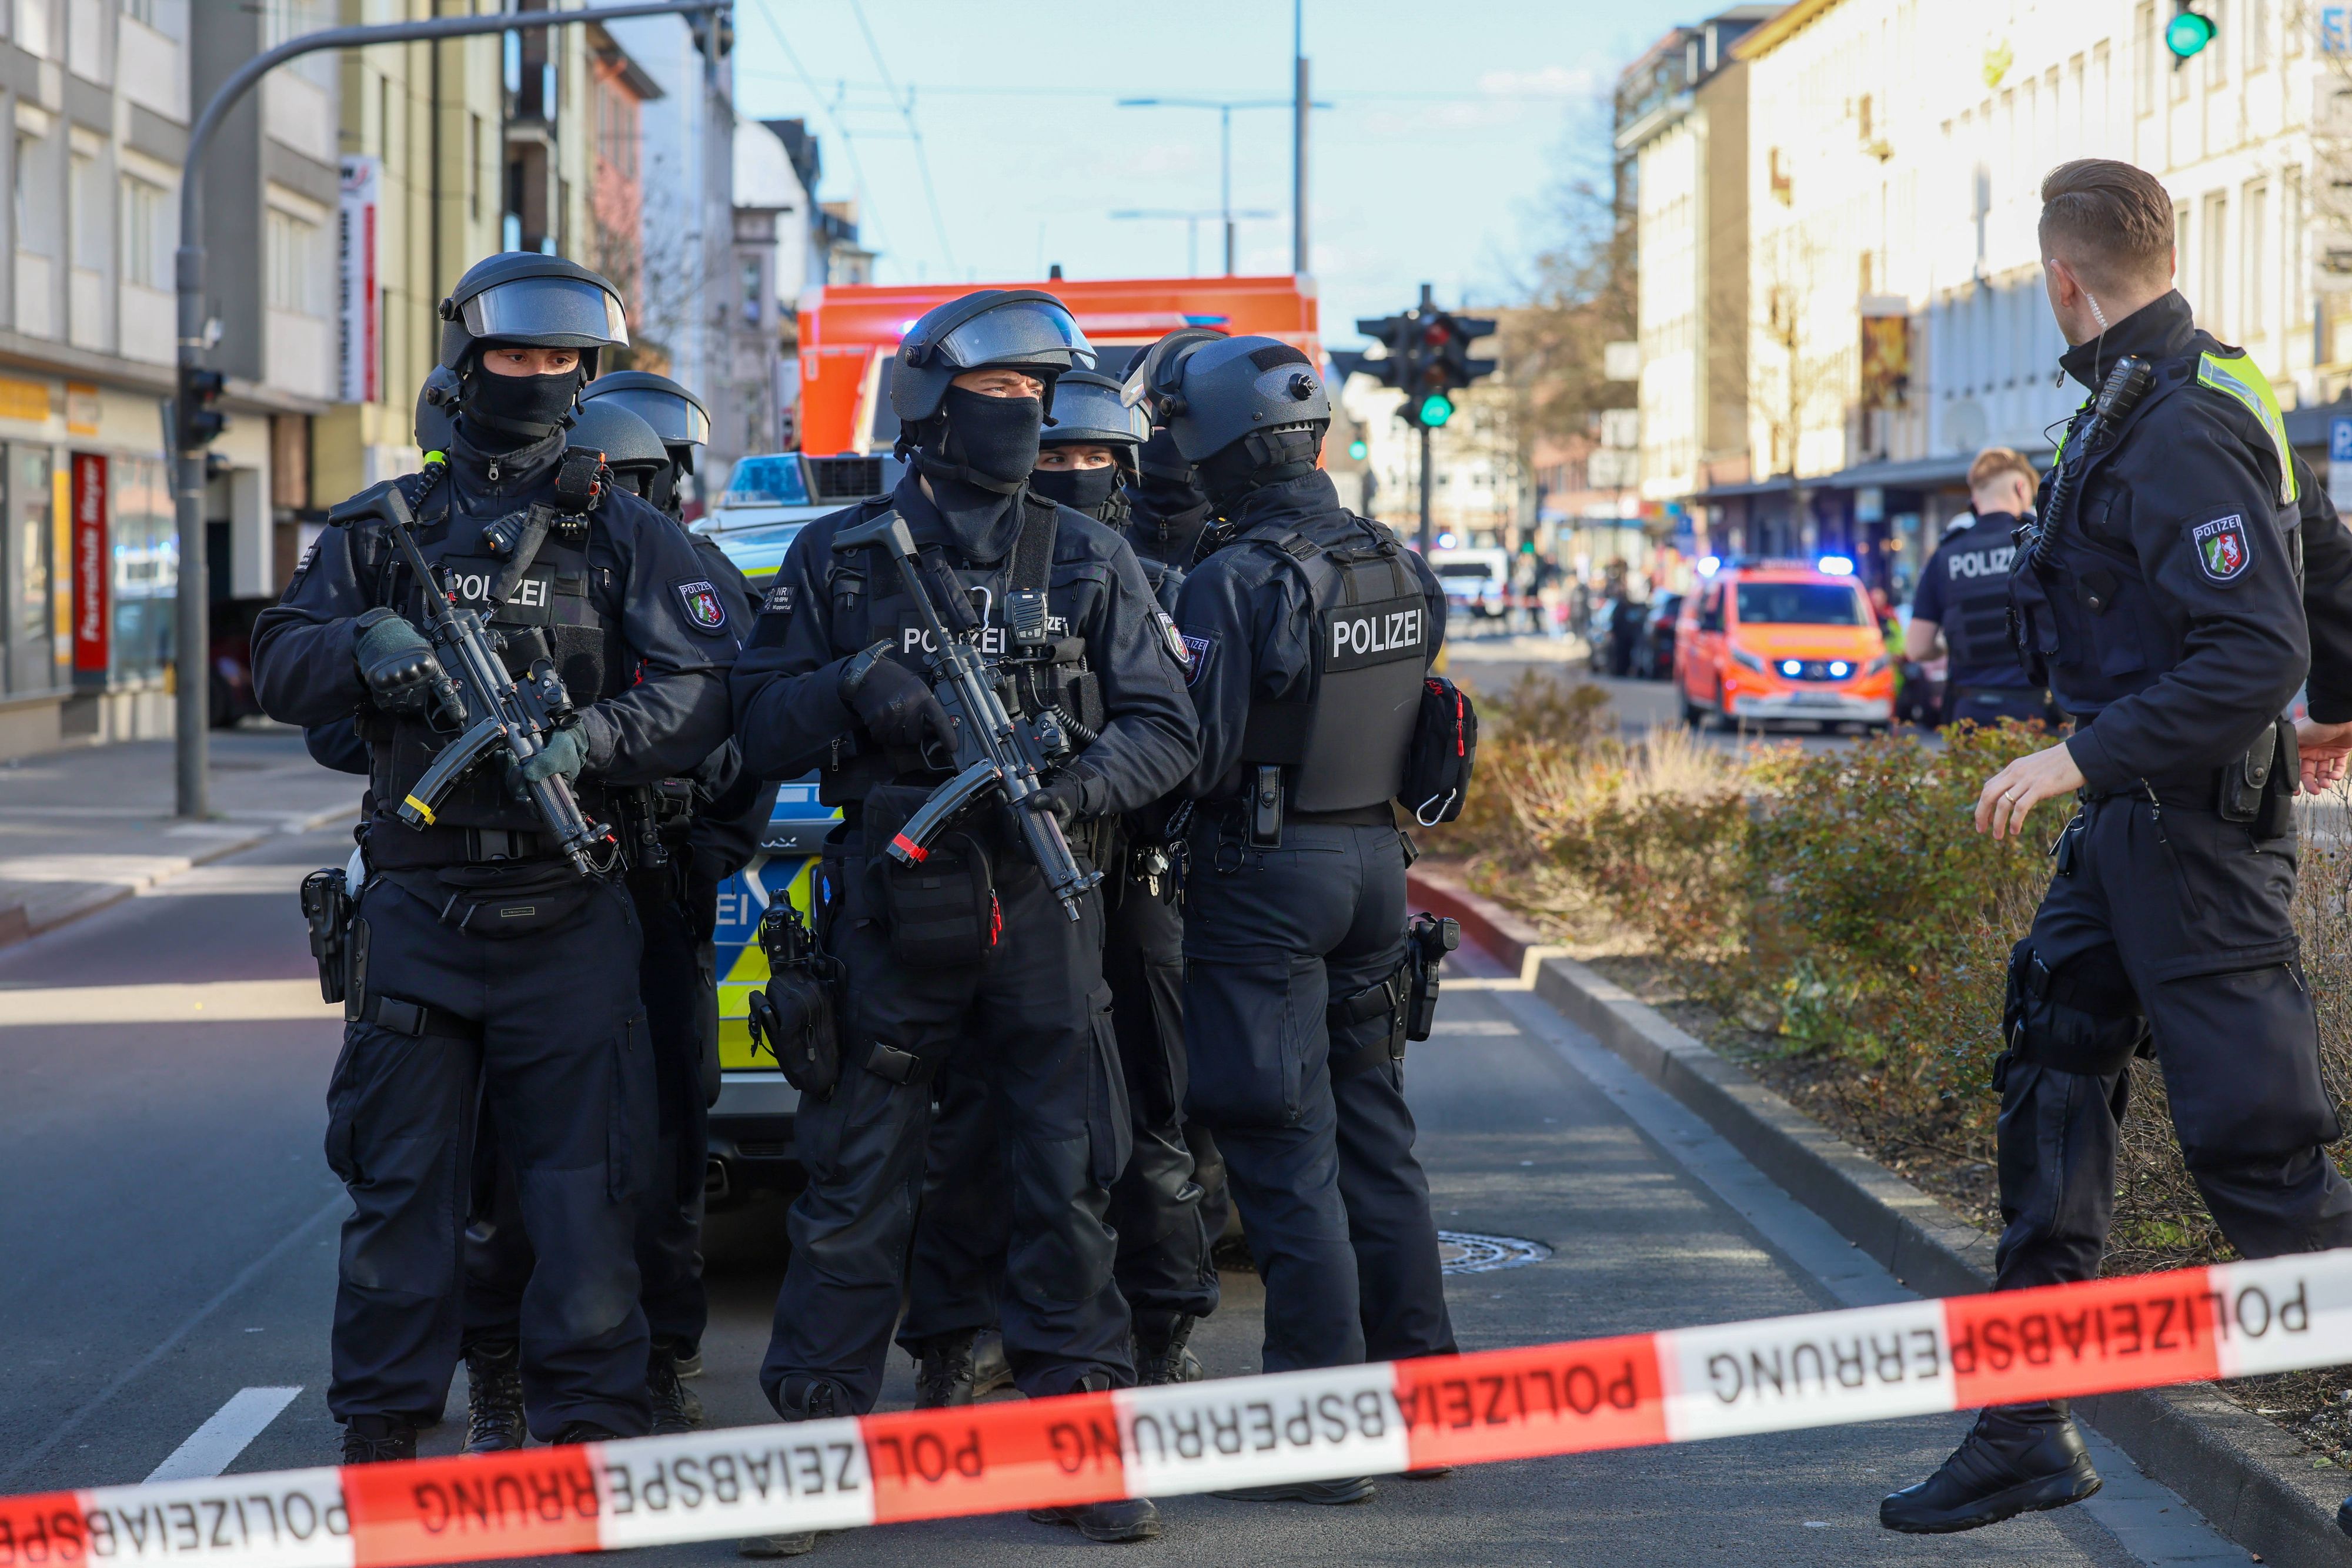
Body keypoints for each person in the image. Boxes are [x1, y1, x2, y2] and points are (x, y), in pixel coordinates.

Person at [1883, 159, 2352, 1534]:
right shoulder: (2199, 391)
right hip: (2134, 831)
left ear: (2060, 279)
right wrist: (2345, 702)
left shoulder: (2175, 426)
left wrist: (2072, 754)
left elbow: (2251, 640)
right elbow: (2320, 561)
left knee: (2259, 1161)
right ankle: (2024, 1430)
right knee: (2051, 1070)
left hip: (2189, 835)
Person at [729, 289, 1196, 1552]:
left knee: (1063, 1180)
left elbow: (1170, 730)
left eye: (1041, 399)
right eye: (1003, 395)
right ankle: (811, 1448)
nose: (1026, 418)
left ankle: (1078, 1446)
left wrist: (1071, 781)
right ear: (933, 400)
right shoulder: (841, 556)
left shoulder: (1091, 558)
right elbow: (753, 727)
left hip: (1044, 902)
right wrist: (851, 685)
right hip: (892, 904)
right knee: (855, 1186)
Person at [251, 253, 733, 1462]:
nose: (533, 377)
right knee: (402, 1202)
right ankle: (384, 1441)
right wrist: (364, 643)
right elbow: (277, 664)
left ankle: (579, 1450)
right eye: (512, 356)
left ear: (583, 377)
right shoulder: (382, 528)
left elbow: (705, 692)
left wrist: (590, 739)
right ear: (467, 365)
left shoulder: (622, 531)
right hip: (419, 912)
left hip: (569, 909)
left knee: (583, 1207)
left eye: (558, 360)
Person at [1149, 332, 1459, 1510]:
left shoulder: (1233, 577)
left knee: (1283, 1155)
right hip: (1378, 865)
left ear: (1219, 446)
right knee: (1377, 1141)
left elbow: (1197, 750)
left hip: (1267, 880)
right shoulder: (1389, 556)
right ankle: (1423, 1410)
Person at [454, 393, 777, 1449]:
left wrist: (700, 862)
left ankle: (659, 1358)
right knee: (517, 1152)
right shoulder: (514, 570)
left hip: (654, 888)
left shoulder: (698, 576)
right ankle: (507, 1368)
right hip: (541, 895)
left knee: (664, 1144)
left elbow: (742, 746)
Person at [896, 366, 1223, 1405]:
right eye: (1055, 456)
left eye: (1095, 457)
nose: (1074, 473)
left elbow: (1182, 741)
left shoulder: (1146, 579)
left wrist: (1088, 791)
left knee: (1147, 1120)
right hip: (1010, 895)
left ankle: (1160, 1322)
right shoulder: (957, 568)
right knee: (985, 1124)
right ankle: (965, 1333)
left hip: (1129, 884)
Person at [1903, 448, 2053, 728]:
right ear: (2021, 488)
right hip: (2034, 712)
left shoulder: (1946, 554)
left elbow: (1917, 648)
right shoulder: (2041, 544)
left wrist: (1950, 644)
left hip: (1970, 713)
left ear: (1975, 497)